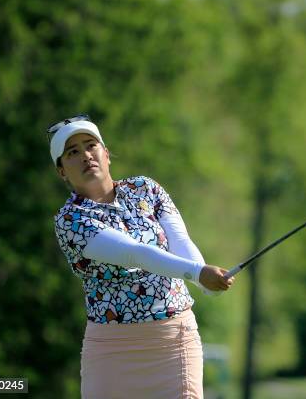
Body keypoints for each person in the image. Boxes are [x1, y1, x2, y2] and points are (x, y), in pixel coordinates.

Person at [48, 114, 234, 398]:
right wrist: (198, 274)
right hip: (112, 351)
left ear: (106, 154)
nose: (86, 155)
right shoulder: (70, 220)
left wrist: (204, 280)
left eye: (91, 145)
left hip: (174, 341)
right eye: (72, 152)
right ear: (62, 171)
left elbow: (180, 240)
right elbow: (135, 254)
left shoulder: (145, 188)